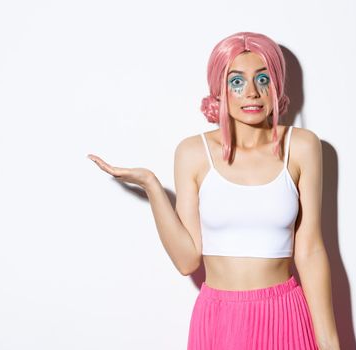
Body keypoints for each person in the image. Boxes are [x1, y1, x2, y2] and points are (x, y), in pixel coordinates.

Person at [87, 32, 340, 350]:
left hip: (285, 313)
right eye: (237, 82)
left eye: (263, 79)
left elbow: (311, 251)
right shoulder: (193, 153)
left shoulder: (302, 146)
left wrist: (330, 344)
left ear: (276, 85)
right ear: (219, 89)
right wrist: (152, 185)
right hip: (219, 319)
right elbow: (187, 261)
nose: (252, 92)